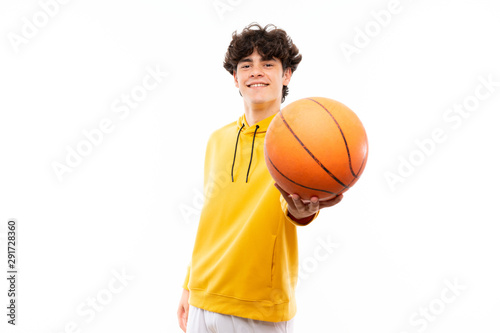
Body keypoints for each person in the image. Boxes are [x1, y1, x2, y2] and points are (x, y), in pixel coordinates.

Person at [177, 23, 343, 332]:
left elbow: (295, 208)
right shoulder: (218, 139)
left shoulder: (302, 140)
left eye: (268, 64)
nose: (256, 71)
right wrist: (189, 284)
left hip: (258, 308)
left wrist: (302, 212)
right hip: (203, 297)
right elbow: (212, 220)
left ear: (286, 75)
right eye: (246, 65)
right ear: (235, 78)